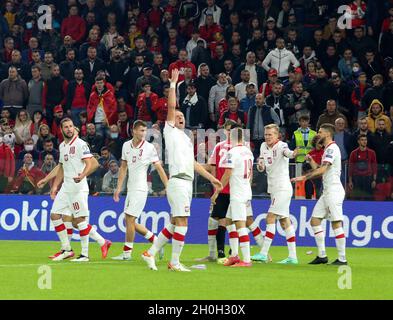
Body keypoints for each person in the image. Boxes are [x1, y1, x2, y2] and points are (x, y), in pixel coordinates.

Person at [141, 68, 222, 272]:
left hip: (187, 181)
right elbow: (171, 105)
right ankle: (174, 262)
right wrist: (173, 85)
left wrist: (212, 178)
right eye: (177, 117)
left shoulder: (186, 138)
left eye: (181, 117)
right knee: (182, 221)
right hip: (177, 181)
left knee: (174, 222)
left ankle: (150, 253)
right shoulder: (170, 131)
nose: (180, 119)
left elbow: (193, 164)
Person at [37, 118, 112, 262]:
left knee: (79, 220)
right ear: (61, 129)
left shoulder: (80, 144)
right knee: (54, 215)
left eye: (71, 126)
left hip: (78, 187)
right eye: (66, 127)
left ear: (74, 128)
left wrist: (83, 175)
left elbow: (92, 163)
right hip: (66, 187)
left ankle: (85, 255)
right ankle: (66, 249)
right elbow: (61, 167)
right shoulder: (62, 146)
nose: (69, 129)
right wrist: (50, 183)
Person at [291, 123, 348, 265]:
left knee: (336, 223)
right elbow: (320, 169)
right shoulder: (327, 149)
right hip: (327, 191)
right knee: (315, 220)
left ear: (327, 134)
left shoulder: (332, 149)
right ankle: (322, 255)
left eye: (320, 132)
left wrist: (304, 177)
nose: (317, 134)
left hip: (334, 191)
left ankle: (342, 258)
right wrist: (311, 161)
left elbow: (322, 171)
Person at [112, 120, 168, 261]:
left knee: (130, 219)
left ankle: (126, 254)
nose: (144, 133)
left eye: (145, 131)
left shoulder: (149, 148)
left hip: (141, 189)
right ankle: (157, 242)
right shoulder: (126, 145)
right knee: (129, 221)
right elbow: (123, 168)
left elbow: (159, 168)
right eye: (141, 130)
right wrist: (118, 188)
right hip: (131, 189)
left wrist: (168, 185)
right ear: (134, 131)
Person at [251, 124, 298, 264]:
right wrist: (260, 165)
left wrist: (294, 153)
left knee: (270, 217)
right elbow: (262, 163)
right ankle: (293, 257)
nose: (267, 137)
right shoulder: (263, 146)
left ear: (278, 136)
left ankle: (264, 253)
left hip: (282, 188)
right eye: (266, 134)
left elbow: (288, 153)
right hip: (273, 188)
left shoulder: (282, 146)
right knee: (284, 221)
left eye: (270, 134)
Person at [210, 127, 254, 267]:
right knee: (229, 221)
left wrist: (217, 191)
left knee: (240, 225)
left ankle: (246, 260)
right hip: (246, 190)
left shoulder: (233, 152)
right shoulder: (248, 151)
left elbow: (227, 174)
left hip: (237, 193)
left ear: (232, 138)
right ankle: (234, 255)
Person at [348, 134, 377, 200]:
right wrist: (350, 181)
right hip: (357, 179)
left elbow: (374, 167)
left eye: (365, 140)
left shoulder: (372, 152)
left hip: (368, 178)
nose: (364, 141)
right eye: (362, 140)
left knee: (369, 199)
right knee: (356, 198)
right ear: (358, 141)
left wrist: (374, 180)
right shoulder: (353, 153)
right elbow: (350, 168)